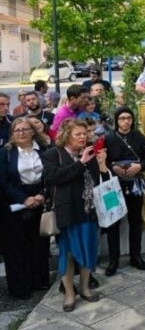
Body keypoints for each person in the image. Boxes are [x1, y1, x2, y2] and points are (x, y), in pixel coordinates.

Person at [42, 119, 109, 312]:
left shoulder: (90, 151)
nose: (83, 137)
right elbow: (55, 178)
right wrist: (81, 163)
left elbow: (97, 181)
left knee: (88, 251)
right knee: (68, 254)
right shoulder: (52, 154)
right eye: (78, 134)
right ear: (66, 135)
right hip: (67, 212)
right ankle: (70, 293)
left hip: (88, 211)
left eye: (85, 134)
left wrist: (101, 164)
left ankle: (85, 287)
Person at [0, 118, 51, 299]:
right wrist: (24, 198)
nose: (21, 133)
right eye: (17, 130)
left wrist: (42, 194)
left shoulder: (44, 150)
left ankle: (39, 280)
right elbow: (3, 182)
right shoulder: (5, 153)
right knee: (16, 247)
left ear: (32, 132)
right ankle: (21, 287)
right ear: (12, 134)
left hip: (39, 199)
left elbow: (51, 176)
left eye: (25, 129)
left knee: (39, 244)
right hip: (15, 203)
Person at [103, 107, 145, 276]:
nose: (126, 121)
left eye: (129, 118)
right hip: (112, 186)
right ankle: (113, 260)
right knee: (113, 223)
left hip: (134, 184)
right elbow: (102, 161)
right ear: (116, 120)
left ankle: (136, 256)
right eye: (122, 118)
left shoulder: (138, 137)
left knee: (135, 220)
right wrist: (113, 167)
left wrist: (139, 166)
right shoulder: (108, 138)